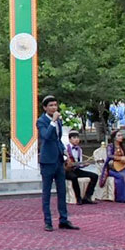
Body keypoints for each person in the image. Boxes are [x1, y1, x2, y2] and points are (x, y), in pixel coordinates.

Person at [36, 95, 78, 232]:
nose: (54, 108)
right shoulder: (41, 121)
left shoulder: (59, 121)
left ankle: (64, 220)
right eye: (51, 105)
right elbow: (46, 137)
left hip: (59, 160)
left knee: (62, 191)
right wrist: (53, 122)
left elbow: (57, 139)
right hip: (47, 161)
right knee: (47, 192)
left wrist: (65, 154)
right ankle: (48, 221)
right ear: (45, 108)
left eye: (55, 105)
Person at [100, 129, 125, 203]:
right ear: (114, 138)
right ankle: (121, 198)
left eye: (121, 135)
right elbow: (109, 156)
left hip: (121, 167)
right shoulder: (110, 146)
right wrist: (120, 158)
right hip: (112, 169)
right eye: (119, 135)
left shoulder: (121, 146)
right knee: (122, 176)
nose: (121, 137)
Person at [63, 131, 97, 205]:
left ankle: (87, 196)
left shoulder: (79, 150)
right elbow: (62, 159)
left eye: (78, 138)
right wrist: (66, 162)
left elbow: (79, 163)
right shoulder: (65, 148)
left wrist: (84, 165)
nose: (76, 139)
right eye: (74, 138)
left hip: (76, 169)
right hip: (66, 171)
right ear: (69, 139)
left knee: (94, 176)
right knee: (74, 177)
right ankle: (78, 198)